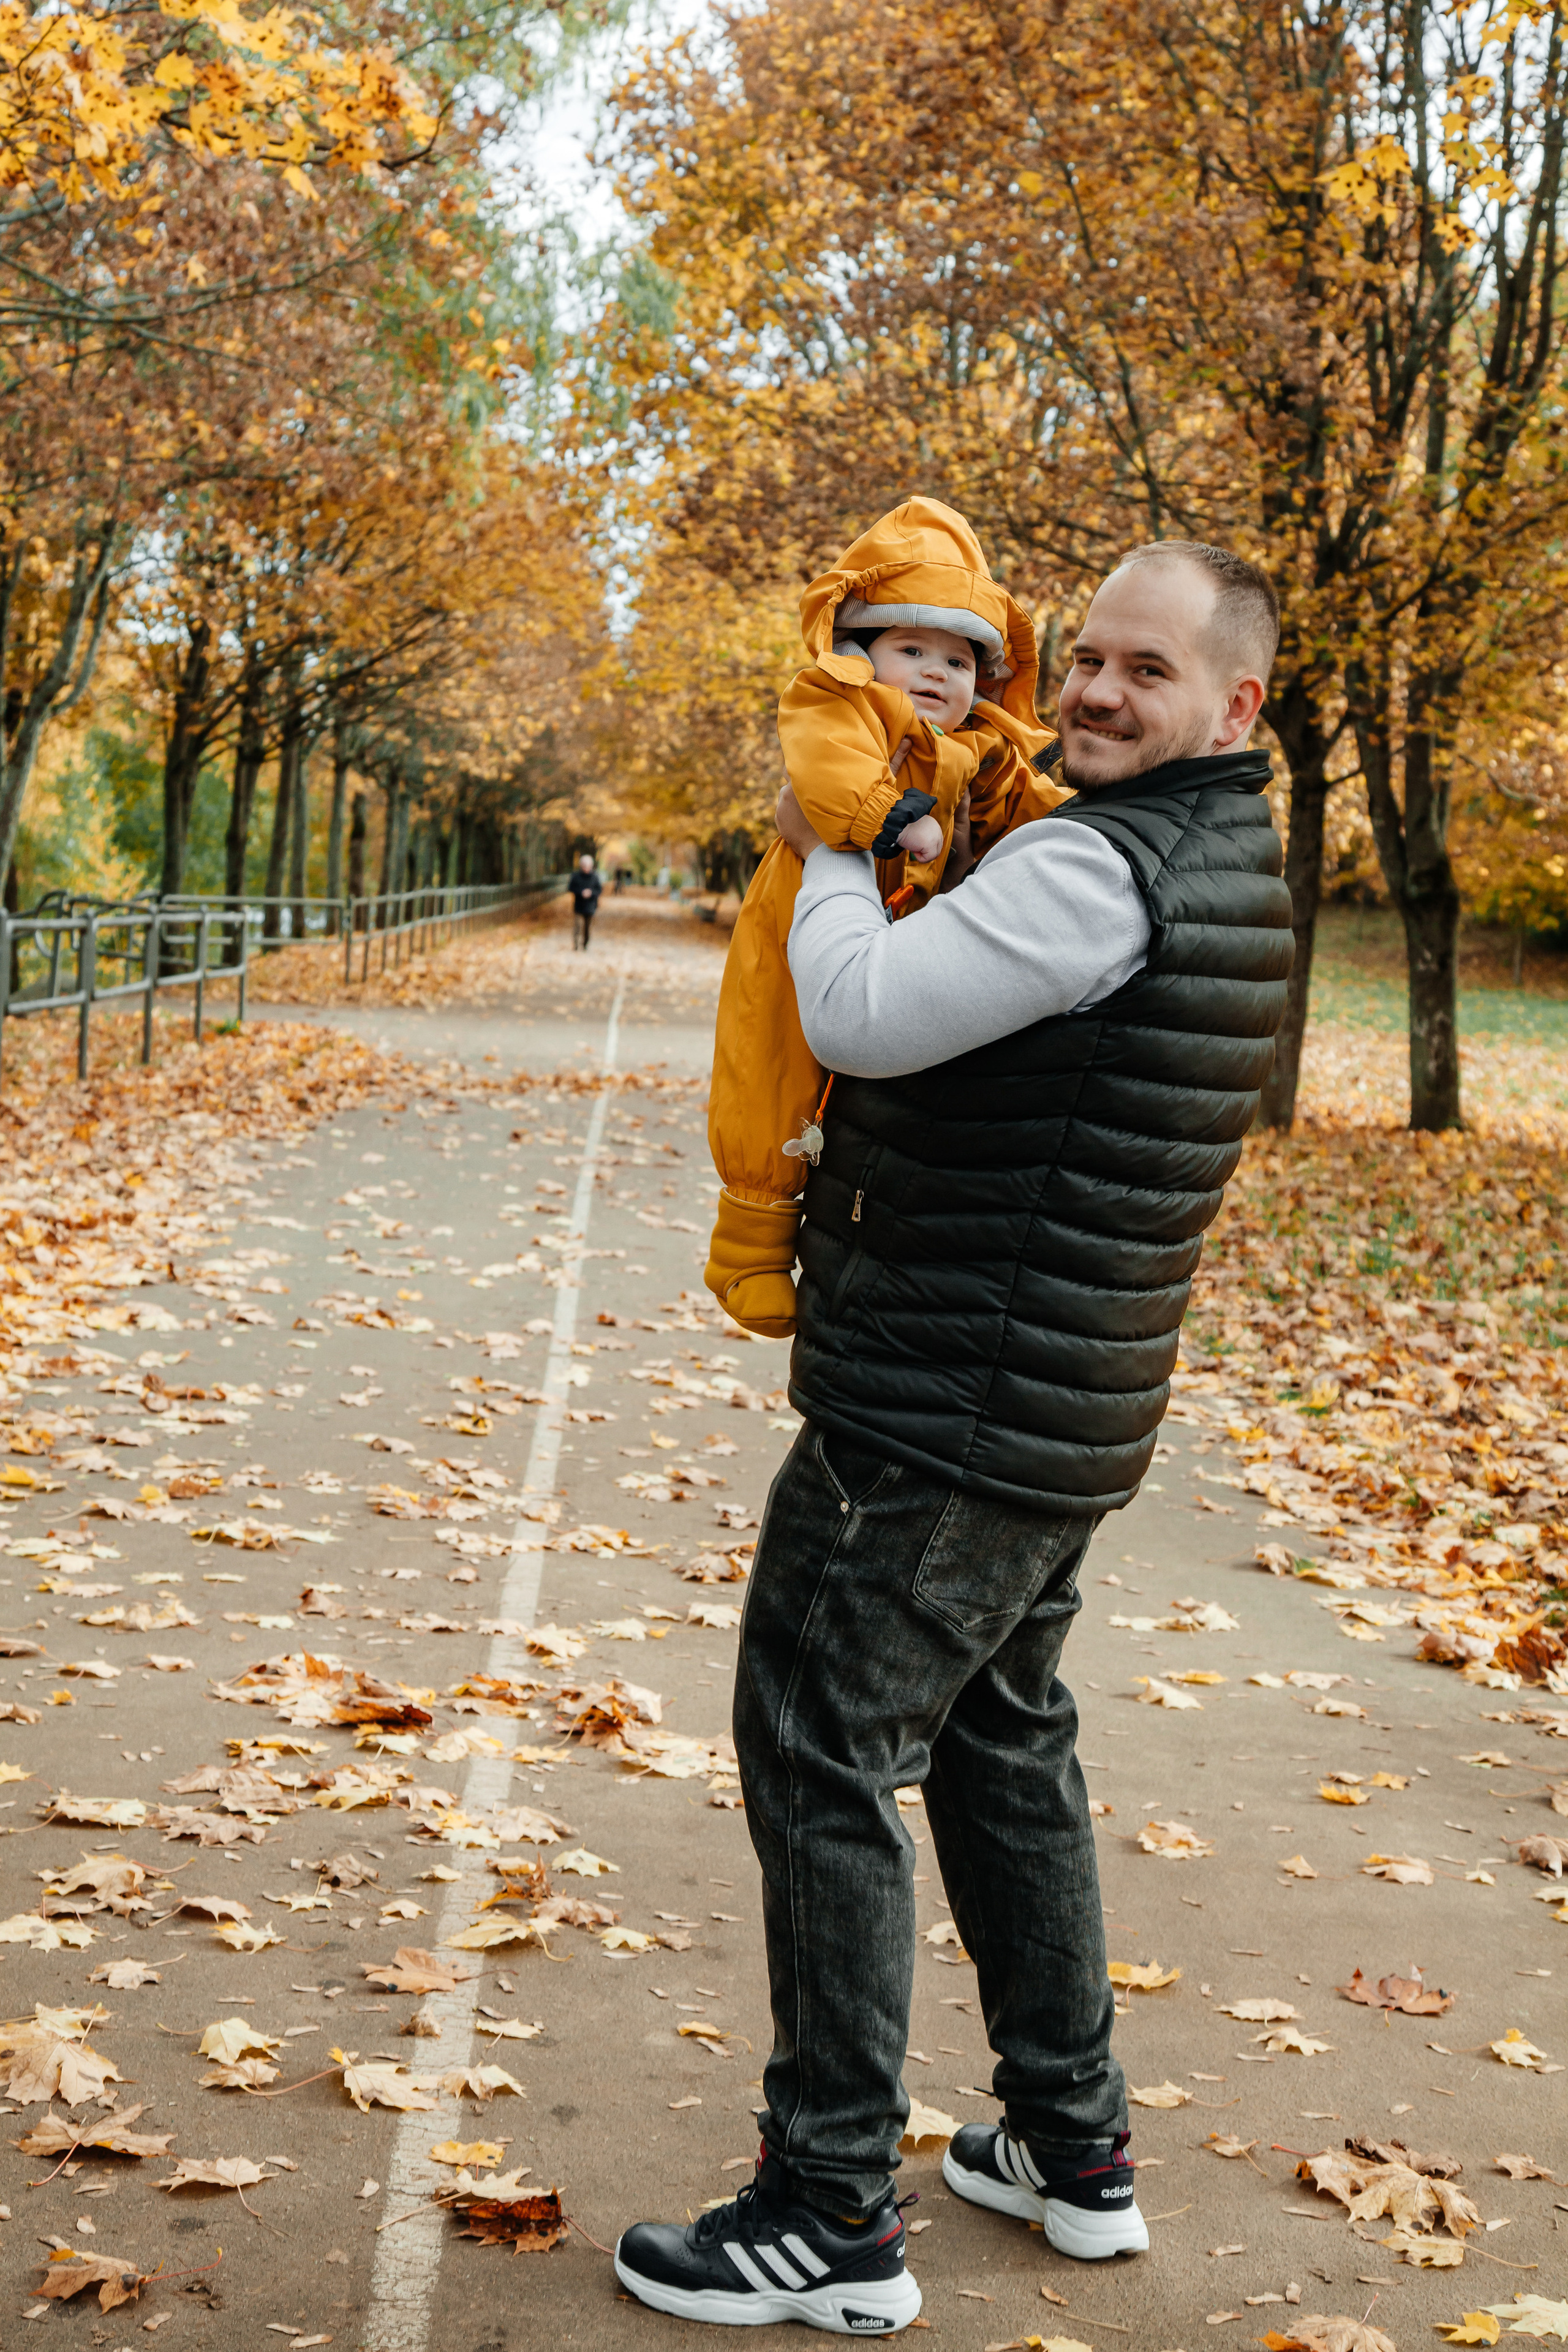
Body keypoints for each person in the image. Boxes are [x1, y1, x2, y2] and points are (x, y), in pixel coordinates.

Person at [615, 541, 1294, 2336]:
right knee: (999, 1743)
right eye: (1083, 655)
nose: (1088, 689)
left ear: (1234, 705)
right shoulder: (1228, 861)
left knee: (819, 1746)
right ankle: (1068, 2146)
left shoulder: (1092, 863)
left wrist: (833, 831)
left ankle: (828, 2201)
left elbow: (855, 1011)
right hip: (1057, 1409)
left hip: (940, 1415)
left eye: (1142, 671)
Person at [704, 499, 1066, 1341]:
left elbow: (1030, 807)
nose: (938, 673)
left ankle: (815, 1228)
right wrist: (890, 816)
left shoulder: (984, 745)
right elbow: (824, 769)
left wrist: (1065, 823)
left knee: (861, 1079)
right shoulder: (842, 700)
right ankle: (747, 1244)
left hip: (904, 928)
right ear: (864, 648)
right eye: (912, 650)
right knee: (774, 1062)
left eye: (958, 659)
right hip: (801, 904)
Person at [569, 851, 601, 950]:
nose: (586, 868)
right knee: (578, 926)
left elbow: (599, 890)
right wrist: (581, 892)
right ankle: (576, 944)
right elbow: (571, 888)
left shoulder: (595, 877)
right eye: (584, 866)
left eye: (588, 866)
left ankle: (585, 944)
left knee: (587, 927)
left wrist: (591, 893)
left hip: (591, 906)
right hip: (579, 905)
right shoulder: (576, 876)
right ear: (581, 866)